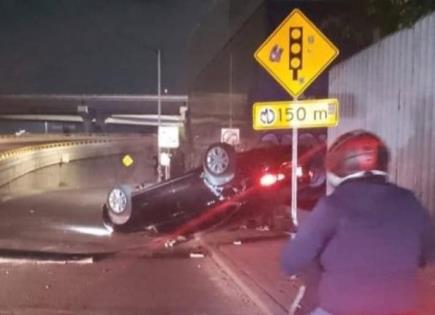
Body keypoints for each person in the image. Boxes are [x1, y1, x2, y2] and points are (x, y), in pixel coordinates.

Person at [282, 130, 435, 315]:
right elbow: (429, 251)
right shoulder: (409, 201)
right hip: (405, 307)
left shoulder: (333, 205)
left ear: (337, 165)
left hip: (342, 308)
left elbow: (291, 261)